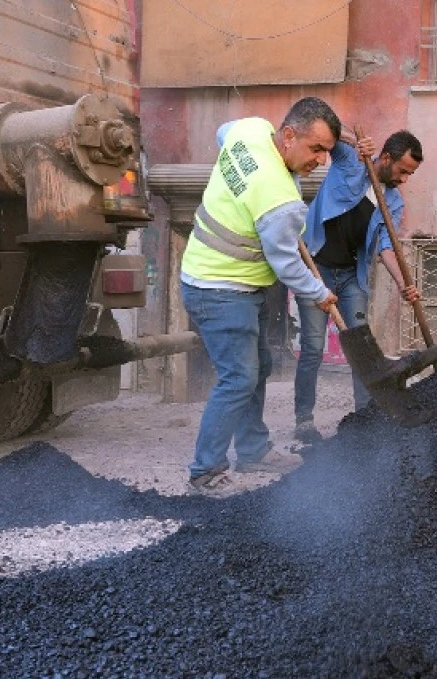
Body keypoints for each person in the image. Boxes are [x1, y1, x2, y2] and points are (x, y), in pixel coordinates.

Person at [179, 97, 341, 497]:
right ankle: (205, 472)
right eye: (315, 149)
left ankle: (252, 451)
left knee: (258, 366)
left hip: (226, 281)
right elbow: (286, 266)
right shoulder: (280, 201)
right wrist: (320, 293)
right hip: (218, 288)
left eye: (327, 152)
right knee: (238, 378)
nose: (321, 161)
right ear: (288, 136)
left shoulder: (249, 129)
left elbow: (223, 134)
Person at [292, 129, 424, 443]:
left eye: (410, 173)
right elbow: (327, 133)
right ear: (386, 157)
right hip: (316, 270)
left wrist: (405, 283)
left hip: (352, 277)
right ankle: (304, 422)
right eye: (402, 170)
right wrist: (355, 142)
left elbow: (386, 248)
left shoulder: (392, 200)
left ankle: (366, 417)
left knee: (362, 350)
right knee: (312, 348)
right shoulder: (350, 164)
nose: (404, 178)